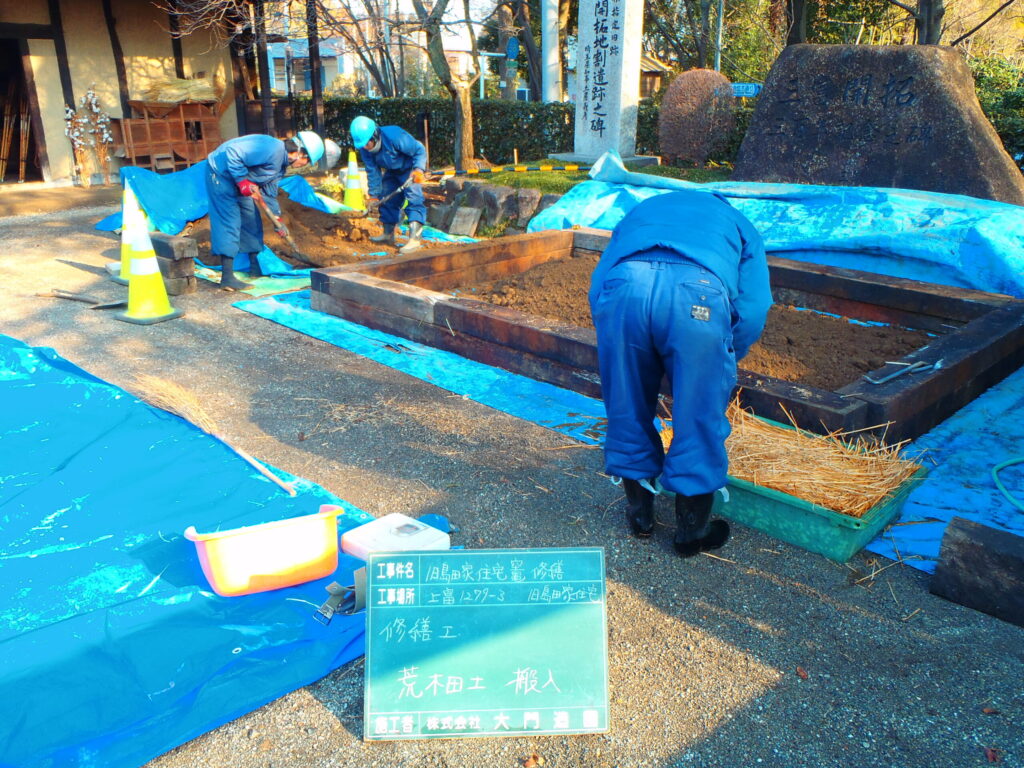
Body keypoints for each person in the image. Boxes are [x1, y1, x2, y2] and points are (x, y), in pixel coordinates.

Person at [588, 190, 772, 557]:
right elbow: (754, 307)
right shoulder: (738, 222)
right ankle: (691, 531)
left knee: (626, 406)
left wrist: (614, 335)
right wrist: (725, 352)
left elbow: (600, 281)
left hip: (624, 289)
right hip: (697, 296)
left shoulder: (643, 209)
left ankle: (640, 516)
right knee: (697, 416)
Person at [205, 131, 325, 290]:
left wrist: (277, 219)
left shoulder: (280, 166)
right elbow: (233, 153)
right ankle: (227, 278)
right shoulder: (271, 148)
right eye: (307, 161)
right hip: (220, 175)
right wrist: (242, 181)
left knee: (251, 219)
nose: (305, 165)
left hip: (241, 180)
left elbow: (269, 193)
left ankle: (255, 268)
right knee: (230, 221)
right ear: (300, 153)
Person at [349, 116, 428, 253]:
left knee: (414, 198)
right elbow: (372, 171)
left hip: (409, 169)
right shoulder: (364, 149)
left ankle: (415, 239)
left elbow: (419, 149)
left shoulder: (394, 136)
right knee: (386, 197)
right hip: (392, 171)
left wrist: (418, 169)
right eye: (362, 146)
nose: (365, 148)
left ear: (375, 136)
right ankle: (388, 234)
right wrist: (373, 195)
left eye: (367, 144)